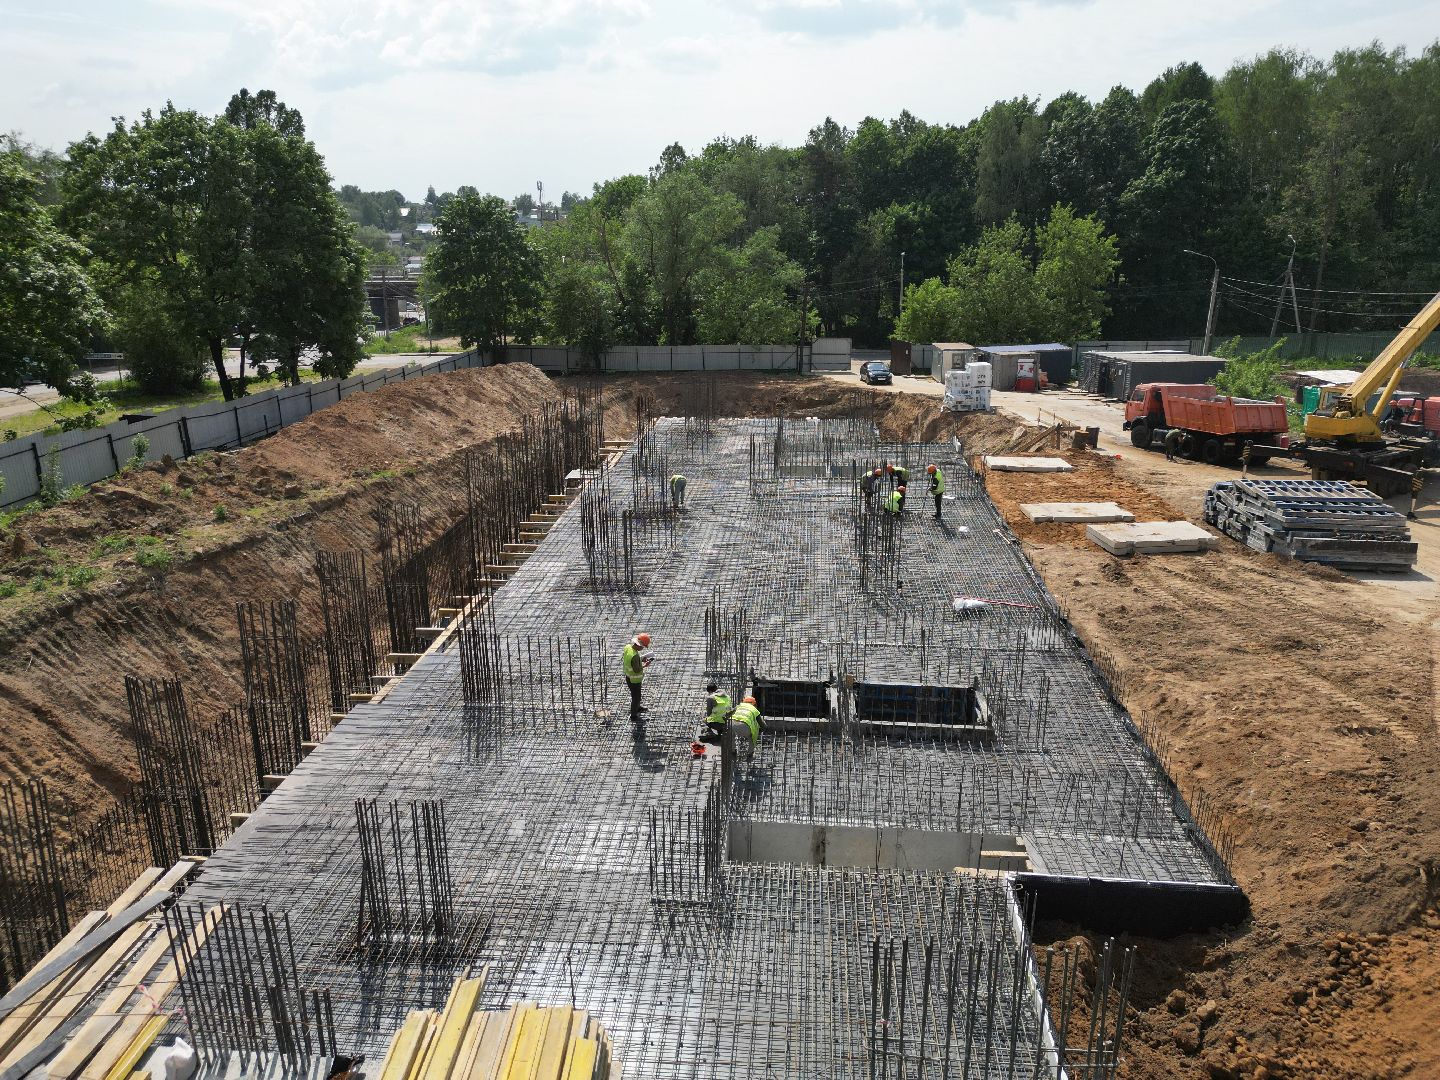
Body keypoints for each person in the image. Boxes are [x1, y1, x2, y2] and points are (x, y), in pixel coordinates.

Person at [622, 633, 652, 724]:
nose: (643, 648)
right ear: (639, 645)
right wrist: (645, 665)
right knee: (636, 698)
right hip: (634, 680)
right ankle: (634, 716)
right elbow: (637, 669)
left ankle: (637, 707)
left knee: (635, 695)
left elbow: (631, 660)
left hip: (629, 677)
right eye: (642, 647)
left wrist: (640, 659)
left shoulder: (628, 647)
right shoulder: (634, 656)